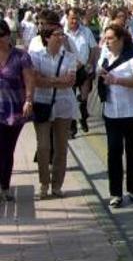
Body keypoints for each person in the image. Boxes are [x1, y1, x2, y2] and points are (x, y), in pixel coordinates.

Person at [98, 25, 133, 208]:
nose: (107, 42)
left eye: (110, 38)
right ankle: (115, 193)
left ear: (121, 40)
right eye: (106, 38)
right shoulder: (105, 56)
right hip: (112, 112)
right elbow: (98, 71)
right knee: (114, 151)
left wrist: (117, 80)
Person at [30, 24, 77, 199]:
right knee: (43, 146)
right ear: (47, 37)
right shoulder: (36, 56)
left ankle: (57, 185)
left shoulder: (70, 57)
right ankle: (44, 183)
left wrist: (48, 80)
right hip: (42, 103)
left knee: (61, 147)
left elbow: (70, 81)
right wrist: (58, 80)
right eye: (57, 34)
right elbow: (35, 80)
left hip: (64, 104)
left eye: (62, 34)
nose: (61, 37)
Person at [0, 19, 34, 201]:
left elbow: (29, 80)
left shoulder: (21, 56)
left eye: (1, 35)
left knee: (7, 149)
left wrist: (28, 100)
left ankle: (5, 186)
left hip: (14, 110)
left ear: (7, 35)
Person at [65, 7, 98, 136]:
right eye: (72, 18)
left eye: (76, 18)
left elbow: (94, 48)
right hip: (70, 69)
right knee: (71, 99)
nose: (74, 21)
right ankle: (72, 127)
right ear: (67, 18)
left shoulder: (86, 31)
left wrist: (90, 63)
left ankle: (83, 117)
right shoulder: (63, 33)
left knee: (84, 98)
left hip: (85, 68)